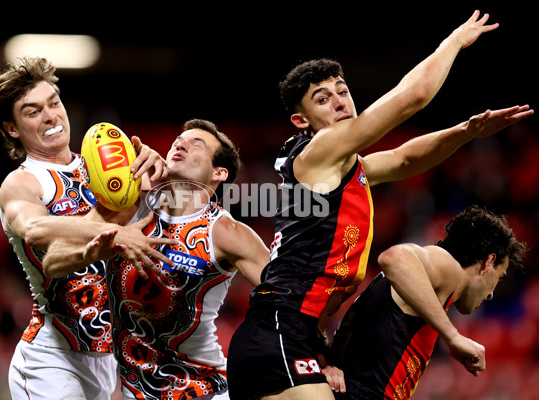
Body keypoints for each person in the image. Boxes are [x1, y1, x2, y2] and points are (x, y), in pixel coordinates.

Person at [226, 10, 534, 400]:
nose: (339, 102)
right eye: (322, 99)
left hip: (298, 335)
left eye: (342, 91)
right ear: (300, 121)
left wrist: (465, 131)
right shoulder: (318, 152)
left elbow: (406, 159)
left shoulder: (344, 169)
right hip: (278, 329)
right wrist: (453, 42)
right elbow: (413, 97)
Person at [0, 56, 176, 400]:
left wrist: (159, 177)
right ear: (12, 128)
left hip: (115, 355)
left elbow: (172, 222)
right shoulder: (22, 182)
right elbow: (36, 229)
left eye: (54, 103)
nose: (51, 115)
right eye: (33, 111)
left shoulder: (108, 169)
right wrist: (110, 226)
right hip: (52, 358)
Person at [42, 118, 271, 400]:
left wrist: (320, 359)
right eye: (179, 140)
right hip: (134, 393)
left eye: (195, 143)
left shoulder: (227, 233)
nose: (181, 144)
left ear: (219, 173)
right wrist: (90, 253)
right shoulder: (129, 206)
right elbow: (51, 262)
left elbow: (288, 296)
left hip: (203, 389)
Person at [330, 205, 527, 399]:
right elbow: (392, 258)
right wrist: (453, 336)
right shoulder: (448, 266)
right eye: (499, 278)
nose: (491, 294)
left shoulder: (428, 289)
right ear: (488, 262)